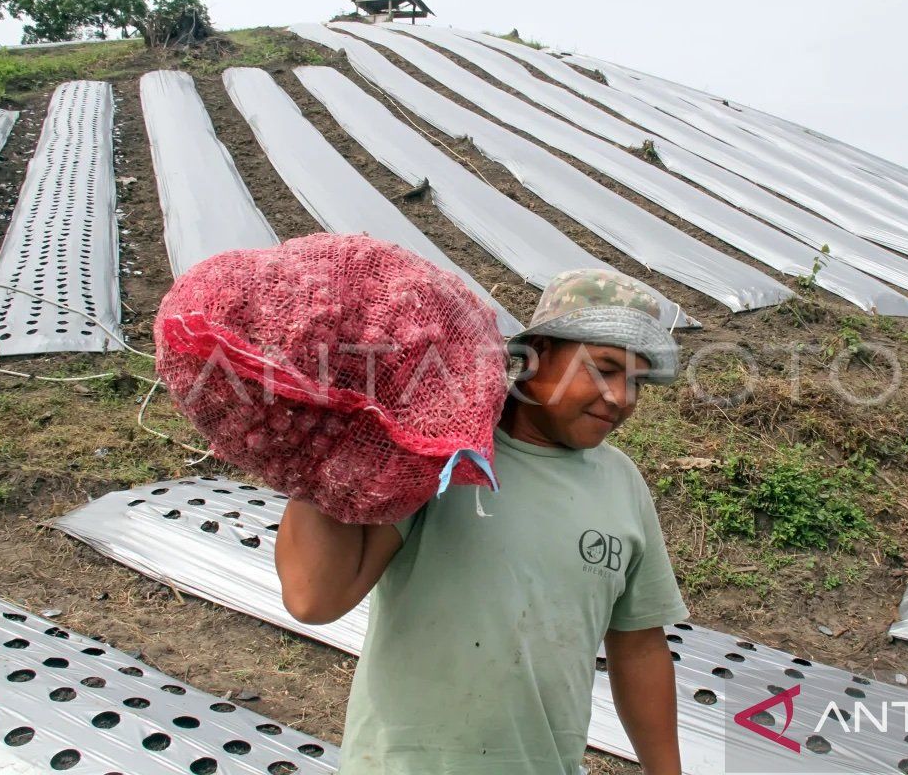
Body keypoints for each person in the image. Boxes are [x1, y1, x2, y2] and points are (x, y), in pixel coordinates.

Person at [275, 269, 689, 774]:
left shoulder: (620, 483)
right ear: (536, 353)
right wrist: (327, 437)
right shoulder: (442, 454)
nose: (622, 398)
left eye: (637, 381)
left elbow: (639, 646)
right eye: (604, 369)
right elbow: (314, 598)